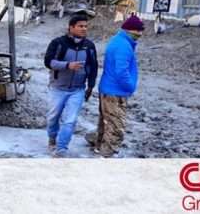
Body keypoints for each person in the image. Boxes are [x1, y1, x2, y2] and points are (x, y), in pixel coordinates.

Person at [43, 15, 98, 158]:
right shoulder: (58, 43)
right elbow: (49, 62)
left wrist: (90, 86)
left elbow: (93, 67)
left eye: (86, 26)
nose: (84, 29)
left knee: (70, 120)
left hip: (77, 90)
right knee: (53, 118)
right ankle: (52, 138)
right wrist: (68, 65)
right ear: (71, 27)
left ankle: (61, 149)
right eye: (80, 26)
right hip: (58, 88)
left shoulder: (89, 46)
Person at [89, 15, 144, 158]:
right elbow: (121, 72)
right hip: (116, 92)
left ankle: (99, 148)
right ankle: (107, 155)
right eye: (139, 31)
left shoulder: (118, 41)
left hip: (108, 89)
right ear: (131, 30)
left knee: (105, 123)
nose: (140, 34)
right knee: (116, 127)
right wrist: (130, 87)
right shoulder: (123, 46)